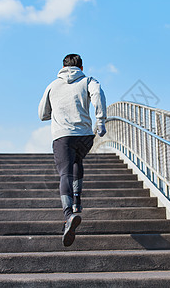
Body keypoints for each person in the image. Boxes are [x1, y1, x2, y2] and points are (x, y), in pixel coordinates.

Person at [38, 54, 107, 247]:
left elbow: (42, 114)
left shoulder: (52, 86)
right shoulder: (87, 80)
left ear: (62, 67)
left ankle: (69, 215)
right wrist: (100, 120)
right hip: (84, 135)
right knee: (78, 161)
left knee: (64, 173)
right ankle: (77, 200)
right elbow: (98, 93)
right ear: (81, 67)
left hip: (62, 136)